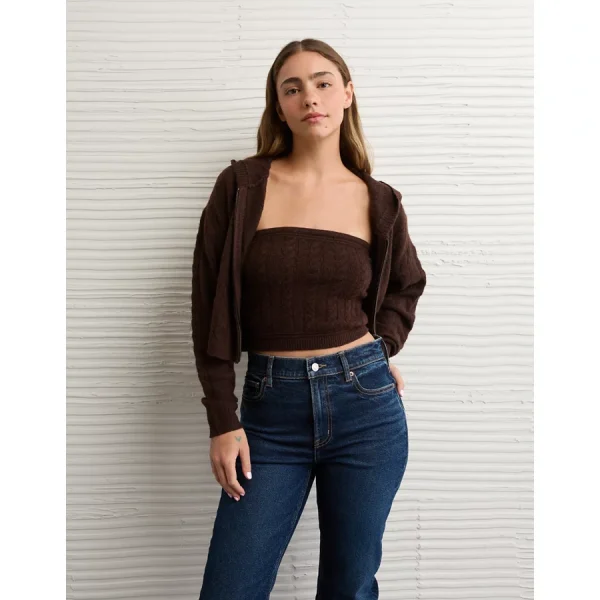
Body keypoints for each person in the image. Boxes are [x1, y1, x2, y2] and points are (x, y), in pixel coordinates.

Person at [192, 38, 427, 599]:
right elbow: (208, 306)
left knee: (349, 587)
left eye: (323, 83)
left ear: (347, 94)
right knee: (231, 587)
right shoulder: (242, 186)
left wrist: (380, 349)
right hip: (269, 415)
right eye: (292, 88)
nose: (310, 98)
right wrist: (222, 418)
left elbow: (406, 286)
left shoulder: (379, 200)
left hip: (366, 409)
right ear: (278, 106)